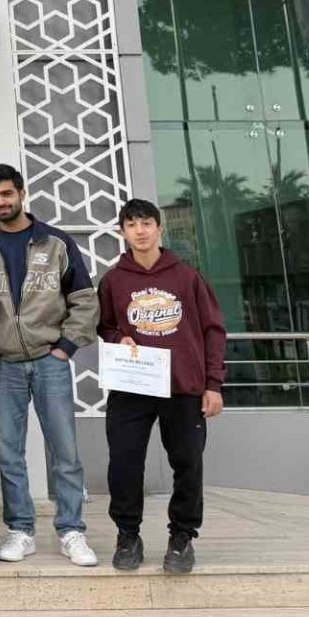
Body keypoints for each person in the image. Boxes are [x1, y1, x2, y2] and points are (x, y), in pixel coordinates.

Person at [0, 162, 100, 568]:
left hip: (49, 359)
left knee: (65, 450)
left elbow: (84, 299)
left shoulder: (56, 242)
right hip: (2, 364)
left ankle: (71, 530)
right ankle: (21, 530)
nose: (0, 202)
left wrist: (66, 347)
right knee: (8, 453)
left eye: (6, 193)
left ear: (22, 193)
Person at [98, 198, 227, 575]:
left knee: (188, 463)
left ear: (159, 228)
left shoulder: (188, 277)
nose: (140, 231)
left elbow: (213, 331)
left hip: (183, 387)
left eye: (146, 223)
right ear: (122, 232)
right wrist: (118, 337)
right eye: (131, 224)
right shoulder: (113, 280)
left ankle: (182, 537)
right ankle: (128, 535)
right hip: (132, 386)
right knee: (124, 463)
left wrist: (213, 384)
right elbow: (104, 325)